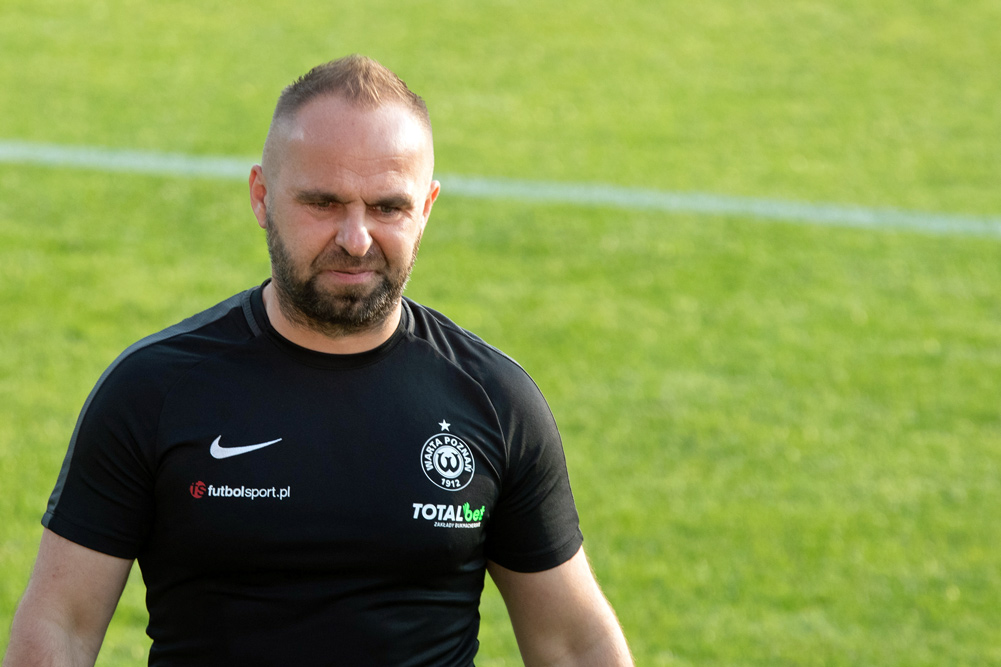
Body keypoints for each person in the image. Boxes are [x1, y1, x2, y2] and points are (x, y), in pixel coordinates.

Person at [4, 54, 632, 666]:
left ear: (426, 209)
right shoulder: (153, 390)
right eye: (324, 202)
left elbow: (574, 646)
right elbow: (62, 626)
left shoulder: (494, 401)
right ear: (262, 197)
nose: (356, 239)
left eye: (388, 207)